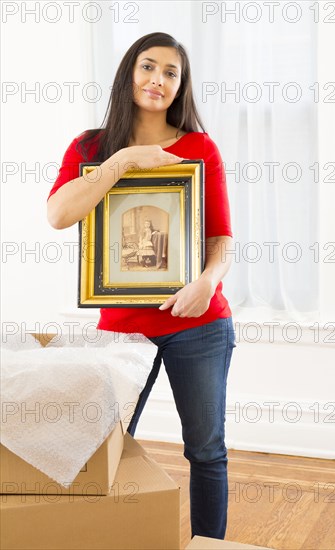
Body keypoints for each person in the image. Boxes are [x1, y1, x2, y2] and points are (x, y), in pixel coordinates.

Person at [47, 32, 236, 540]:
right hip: (123, 330)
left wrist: (206, 282)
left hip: (199, 322)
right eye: (148, 67)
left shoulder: (200, 148)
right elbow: (59, 215)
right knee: (107, 447)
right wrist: (123, 161)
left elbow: (222, 239)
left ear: (181, 86)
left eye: (171, 73)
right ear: (129, 73)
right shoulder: (90, 147)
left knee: (205, 450)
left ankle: (208, 545)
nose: (158, 79)